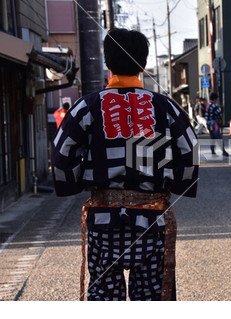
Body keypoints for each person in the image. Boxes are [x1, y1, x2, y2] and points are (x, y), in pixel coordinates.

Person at [51, 28, 198, 301]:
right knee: (152, 296)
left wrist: (77, 181)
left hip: (103, 221)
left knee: (106, 297)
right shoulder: (166, 107)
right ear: (143, 65)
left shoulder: (86, 107)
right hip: (152, 221)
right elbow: (188, 149)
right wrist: (177, 182)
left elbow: (62, 153)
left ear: (107, 63)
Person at [205, 92, 229, 156]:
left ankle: (213, 151)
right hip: (214, 124)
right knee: (219, 137)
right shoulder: (214, 106)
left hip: (208, 124)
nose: (217, 100)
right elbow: (219, 114)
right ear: (214, 99)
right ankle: (223, 151)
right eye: (216, 99)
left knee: (212, 138)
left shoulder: (207, 105)